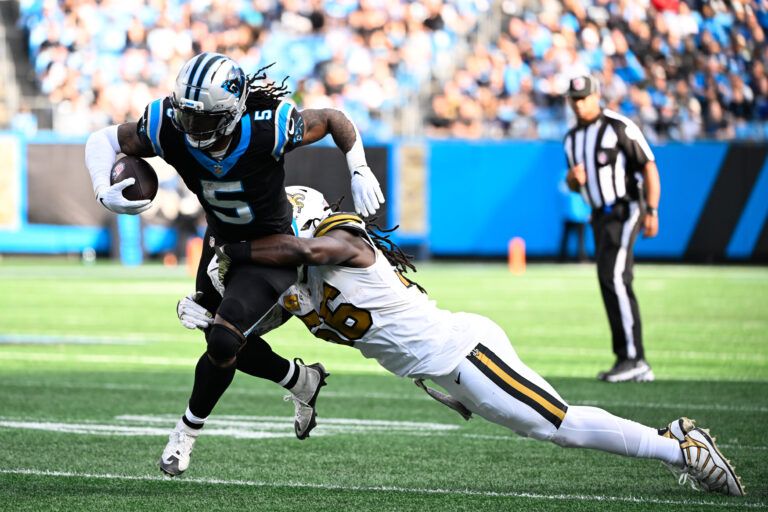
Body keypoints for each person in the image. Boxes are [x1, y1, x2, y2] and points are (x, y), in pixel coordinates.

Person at [180, 186, 742, 496]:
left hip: (462, 352)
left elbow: (305, 253)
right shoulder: (296, 290)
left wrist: (239, 248)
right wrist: (213, 320)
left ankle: (681, 448)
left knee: (560, 427)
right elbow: (242, 343)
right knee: (551, 428)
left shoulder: (343, 240)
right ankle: (677, 444)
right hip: (449, 365)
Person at [83, 52, 385, 476]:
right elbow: (102, 140)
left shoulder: (268, 126)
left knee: (223, 339)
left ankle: (185, 434)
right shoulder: (168, 122)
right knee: (219, 338)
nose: (190, 127)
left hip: (273, 245)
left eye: (201, 120)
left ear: (231, 111)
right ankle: (300, 380)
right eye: (186, 116)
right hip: (221, 240)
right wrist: (103, 187)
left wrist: (359, 170)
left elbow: (334, 118)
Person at [563, 75, 661, 383]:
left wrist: (653, 210)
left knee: (615, 277)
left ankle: (634, 358)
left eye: (584, 98)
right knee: (609, 279)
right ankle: (627, 356)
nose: (580, 104)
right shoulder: (571, 139)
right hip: (599, 215)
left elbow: (648, 164)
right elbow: (574, 184)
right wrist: (574, 182)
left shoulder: (618, 126)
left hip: (627, 207)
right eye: (574, 99)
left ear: (596, 96)